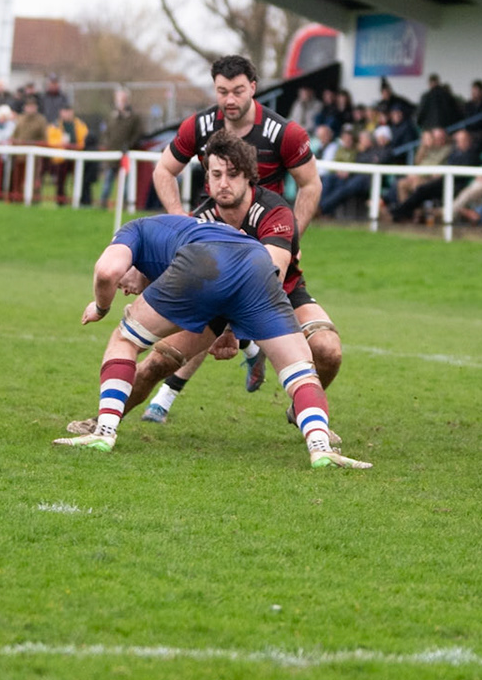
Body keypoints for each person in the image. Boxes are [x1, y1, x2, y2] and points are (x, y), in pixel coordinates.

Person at [70, 131, 344, 433]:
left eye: (232, 174)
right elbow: (179, 276)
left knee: (327, 348)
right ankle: (104, 422)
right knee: (158, 361)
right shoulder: (201, 218)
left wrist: (234, 332)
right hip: (218, 304)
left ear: (249, 176)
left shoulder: (274, 211)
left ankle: (301, 411)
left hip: (278, 295)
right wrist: (142, 272)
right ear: (207, 180)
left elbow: (272, 275)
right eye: (216, 174)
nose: (224, 183)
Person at [53, 211, 369, 469]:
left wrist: (101, 306)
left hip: (202, 263)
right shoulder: (185, 233)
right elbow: (227, 279)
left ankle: (104, 432)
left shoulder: (134, 229)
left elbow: (107, 271)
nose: (125, 287)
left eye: (127, 282)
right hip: (256, 264)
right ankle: (321, 448)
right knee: (301, 371)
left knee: (125, 339)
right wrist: (230, 330)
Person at [154, 54, 319, 231]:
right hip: (212, 229)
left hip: (265, 233)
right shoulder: (197, 127)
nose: (230, 100)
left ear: (252, 88)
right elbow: (163, 170)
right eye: (223, 92)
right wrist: (177, 215)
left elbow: (310, 184)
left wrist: (292, 238)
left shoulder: (285, 133)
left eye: (238, 91)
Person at [46, 103, 88, 204]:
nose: (67, 114)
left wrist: (78, 146)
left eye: (69, 111)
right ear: (61, 112)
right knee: (60, 181)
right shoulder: (55, 125)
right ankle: (60, 201)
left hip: (76, 157)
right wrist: (61, 143)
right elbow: (51, 140)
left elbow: (84, 138)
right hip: (61, 157)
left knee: (78, 180)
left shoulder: (79, 124)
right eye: (65, 111)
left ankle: (79, 201)